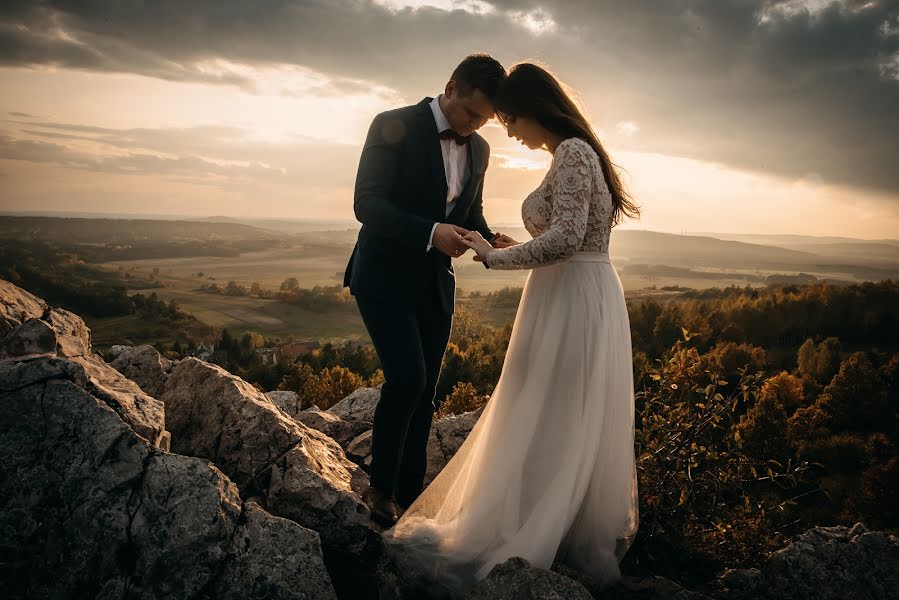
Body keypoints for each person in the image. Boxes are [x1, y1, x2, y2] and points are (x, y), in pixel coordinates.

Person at [381, 62, 642, 597]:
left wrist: (489, 257)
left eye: (509, 122)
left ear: (532, 111)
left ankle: (530, 529)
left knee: (546, 403)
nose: (510, 134)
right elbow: (567, 234)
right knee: (554, 408)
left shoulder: (571, 152)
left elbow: (569, 237)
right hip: (572, 291)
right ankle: (545, 519)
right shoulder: (574, 153)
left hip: (570, 294)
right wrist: (506, 243)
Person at [344, 54, 515, 528]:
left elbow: (469, 211)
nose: (474, 126)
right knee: (407, 380)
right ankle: (379, 491)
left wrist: (487, 238)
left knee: (426, 393)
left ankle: (410, 495)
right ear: (451, 87)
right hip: (382, 276)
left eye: (484, 120)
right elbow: (367, 203)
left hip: (435, 284)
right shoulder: (392, 124)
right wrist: (429, 233)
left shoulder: (479, 150)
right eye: (470, 113)